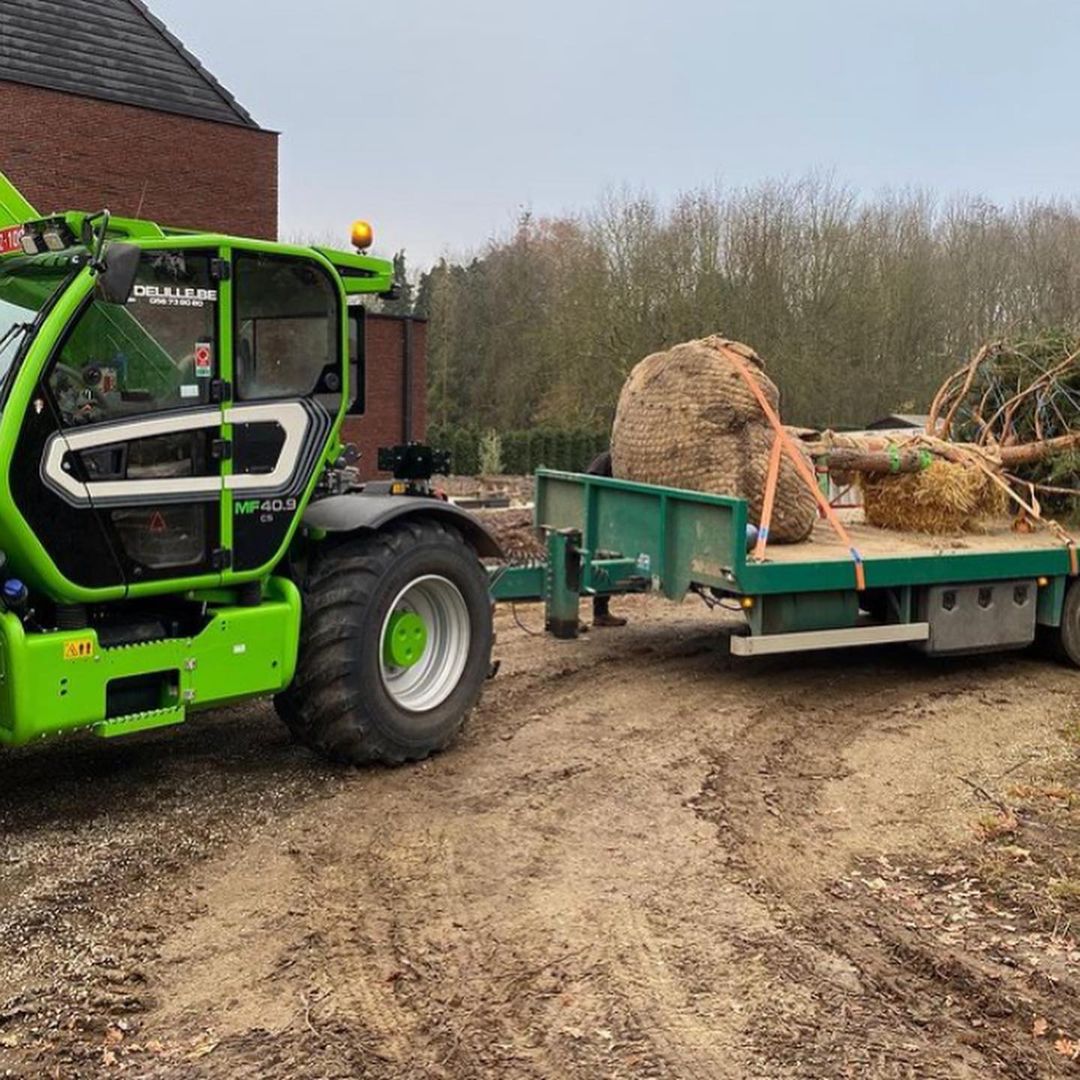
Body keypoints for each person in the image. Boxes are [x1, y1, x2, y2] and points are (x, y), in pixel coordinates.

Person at [585, 449, 628, 628]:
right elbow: (591, 482)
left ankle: (600, 613)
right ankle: (568, 616)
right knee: (595, 562)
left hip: (608, 516)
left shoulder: (621, 460)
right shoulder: (609, 459)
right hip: (597, 516)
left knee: (604, 563)